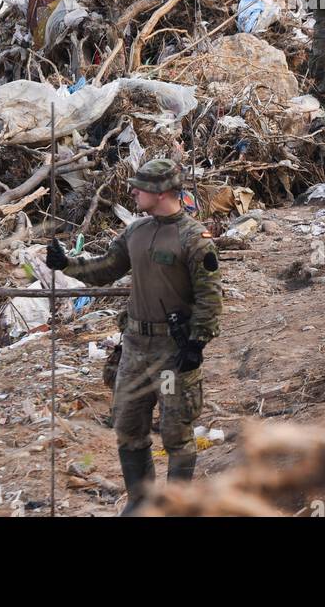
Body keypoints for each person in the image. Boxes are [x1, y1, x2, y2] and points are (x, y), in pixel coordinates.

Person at [46, 158, 221, 513]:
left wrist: (196, 344)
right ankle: (140, 503)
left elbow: (210, 297)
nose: (133, 191)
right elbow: (106, 269)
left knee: (175, 432)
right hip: (135, 351)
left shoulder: (195, 239)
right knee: (128, 427)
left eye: (140, 187)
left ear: (159, 192)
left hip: (172, 356)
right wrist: (66, 264)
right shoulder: (136, 232)